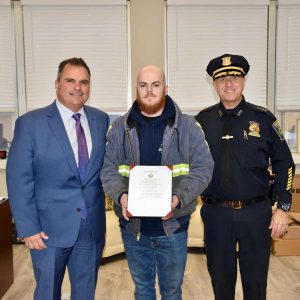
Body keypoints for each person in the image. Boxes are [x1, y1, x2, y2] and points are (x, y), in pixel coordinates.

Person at [100, 65, 214, 299]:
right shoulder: (119, 128)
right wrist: (121, 195)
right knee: (143, 290)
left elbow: (204, 168)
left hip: (173, 227)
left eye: (155, 85)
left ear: (166, 88)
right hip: (134, 229)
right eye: (143, 85)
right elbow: (108, 169)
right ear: (136, 89)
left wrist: (178, 198)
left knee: (172, 292)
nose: (149, 91)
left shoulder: (188, 127)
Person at [6, 57, 109, 300]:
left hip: (90, 227)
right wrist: (28, 228)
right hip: (47, 231)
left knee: (85, 293)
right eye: (70, 80)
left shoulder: (100, 120)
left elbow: (107, 168)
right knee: (47, 292)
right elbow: (19, 179)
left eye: (84, 82)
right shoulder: (30, 124)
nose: (77, 87)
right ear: (57, 84)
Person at [195, 54, 295, 300]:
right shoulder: (202, 121)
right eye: (222, 79)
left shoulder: (263, 119)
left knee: (256, 284)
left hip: (255, 213)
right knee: (221, 284)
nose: (229, 83)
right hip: (216, 214)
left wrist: (282, 207)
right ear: (214, 84)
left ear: (244, 81)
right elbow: (187, 166)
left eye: (235, 77)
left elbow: (285, 164)